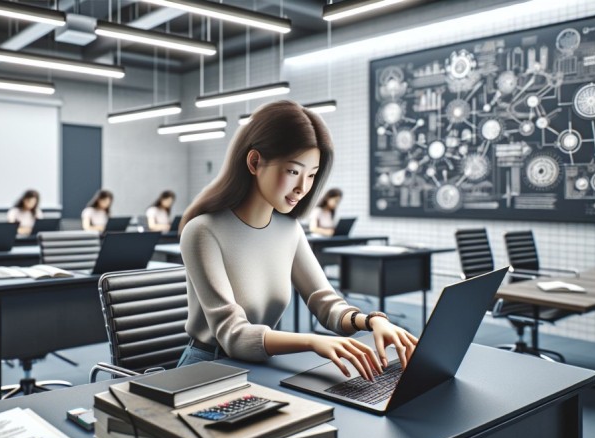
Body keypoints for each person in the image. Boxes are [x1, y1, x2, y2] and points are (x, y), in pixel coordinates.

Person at [177, 100, 417, 381]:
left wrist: (370, 320)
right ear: (255, 162)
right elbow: (233, 334)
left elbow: (324, 302)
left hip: (259, 366)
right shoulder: (202, 231)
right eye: (293, 171)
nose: (303, 188)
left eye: (312, 175)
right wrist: (311, 341)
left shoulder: (289, 229)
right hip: (206, 369)